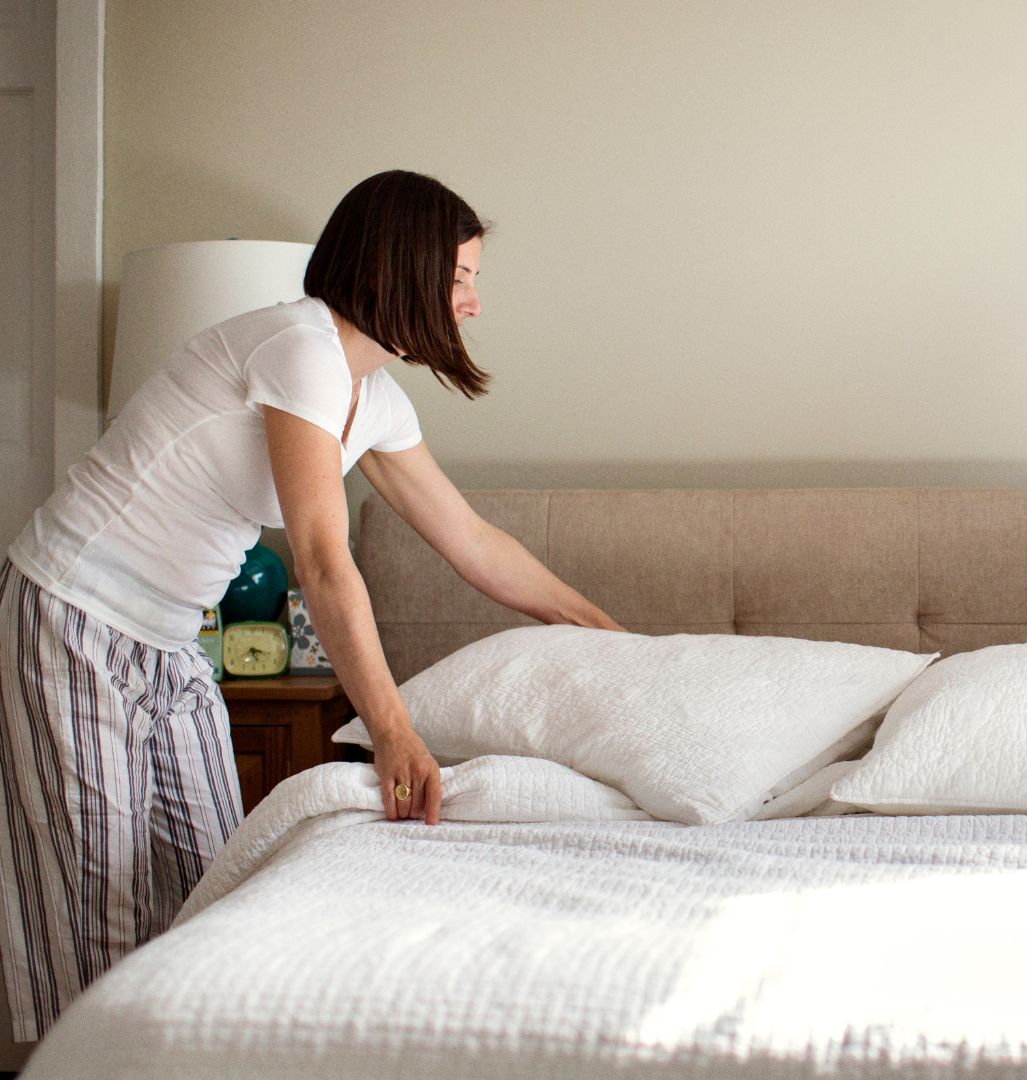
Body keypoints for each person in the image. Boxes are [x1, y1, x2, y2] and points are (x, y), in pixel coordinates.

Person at [0, 169, 621, 1039]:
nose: (474, 305)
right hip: (74, 612)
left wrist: (613, 636)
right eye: (459, 280)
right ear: (398, 269)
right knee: (96, 905)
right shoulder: (300, 351)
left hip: (171, 640)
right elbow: (327, 562)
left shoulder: (377, 398)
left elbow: (475, 544)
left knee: (215, 881)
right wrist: (396, 732)